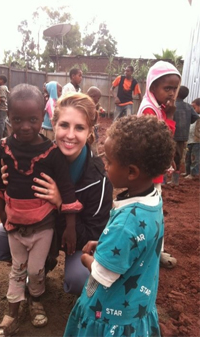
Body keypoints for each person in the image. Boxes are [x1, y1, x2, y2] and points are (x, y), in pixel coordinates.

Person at [0, 92, 113, 299]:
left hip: (74, 240)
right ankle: (36, 266)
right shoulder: (37, 156)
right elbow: (11, 196)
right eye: (64, 125)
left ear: (90, 131)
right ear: (53, 124)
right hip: (35, 228)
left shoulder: (98, 180)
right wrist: (9, 179)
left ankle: (44, 262)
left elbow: (94, 236)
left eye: (80, 128)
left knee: (79, 278)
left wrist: (61, 202)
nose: (70, 135)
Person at [63, 115, 175, 337]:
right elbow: (137, 244)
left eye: (110, 162)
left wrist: (87, 259)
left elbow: (102, 275)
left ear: (132, 172)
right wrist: (106, 243)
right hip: (137, 307)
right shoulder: (153, 201)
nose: (104, 165)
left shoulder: (126, 223)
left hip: (110, 316)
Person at [0, 84, 83, 336]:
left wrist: (71, 226)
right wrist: (3, 216)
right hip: (14, 224)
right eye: (17, 119)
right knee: (17, 268)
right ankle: (11, 313)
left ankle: (36, 301)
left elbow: (66, 190)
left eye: (33, 119)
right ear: (8, 115)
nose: (25, 126)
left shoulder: (51, 153)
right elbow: (0, 186)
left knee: (35, 269)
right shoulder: (2, 148)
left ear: (43, 114)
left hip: (43, 225)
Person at [137, 60, 181, 269]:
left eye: (175, 88)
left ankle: (155, 250)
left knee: (154, 210)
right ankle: (152, 253)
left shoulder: (157, 107)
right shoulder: (149, 110)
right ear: (153, 86)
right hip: (147, 173)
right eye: (167, 88)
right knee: (151, 211)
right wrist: (171, 117)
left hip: (152, 171)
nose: (172, 93)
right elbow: (160, 141)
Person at [172, 86, 199, 184]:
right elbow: (195, 117)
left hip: (170, 134)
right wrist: (188, 121)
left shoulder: (172, 105)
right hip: (182, 135)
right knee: (178, 157)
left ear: (176, 93)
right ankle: (175, 181)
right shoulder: (189, 106)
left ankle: (163, 180)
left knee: (167, 156)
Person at [86, 86, 105, 155]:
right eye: (98, 98)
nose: (98, 100)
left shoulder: (89, 104)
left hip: (89, 130)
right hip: (90, 131)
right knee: (93, 147)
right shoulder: (89, 107)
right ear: (92, 96)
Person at [185, 98, 200, 179]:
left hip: (197, 141)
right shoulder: (192, 116)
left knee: (194, 158)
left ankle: (194, 174)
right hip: (190, 140)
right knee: (188, 157)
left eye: (194, 108)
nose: (192, 110)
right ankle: (187, 172)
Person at [0, 75, 10, 140]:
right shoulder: (4, 87)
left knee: (1, 122)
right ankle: (5, 136)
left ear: (2, 81)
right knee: (3, 121)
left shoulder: (2, 88)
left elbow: (2, 99)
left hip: (2, 107)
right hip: (4, 107)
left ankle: (0, 137)